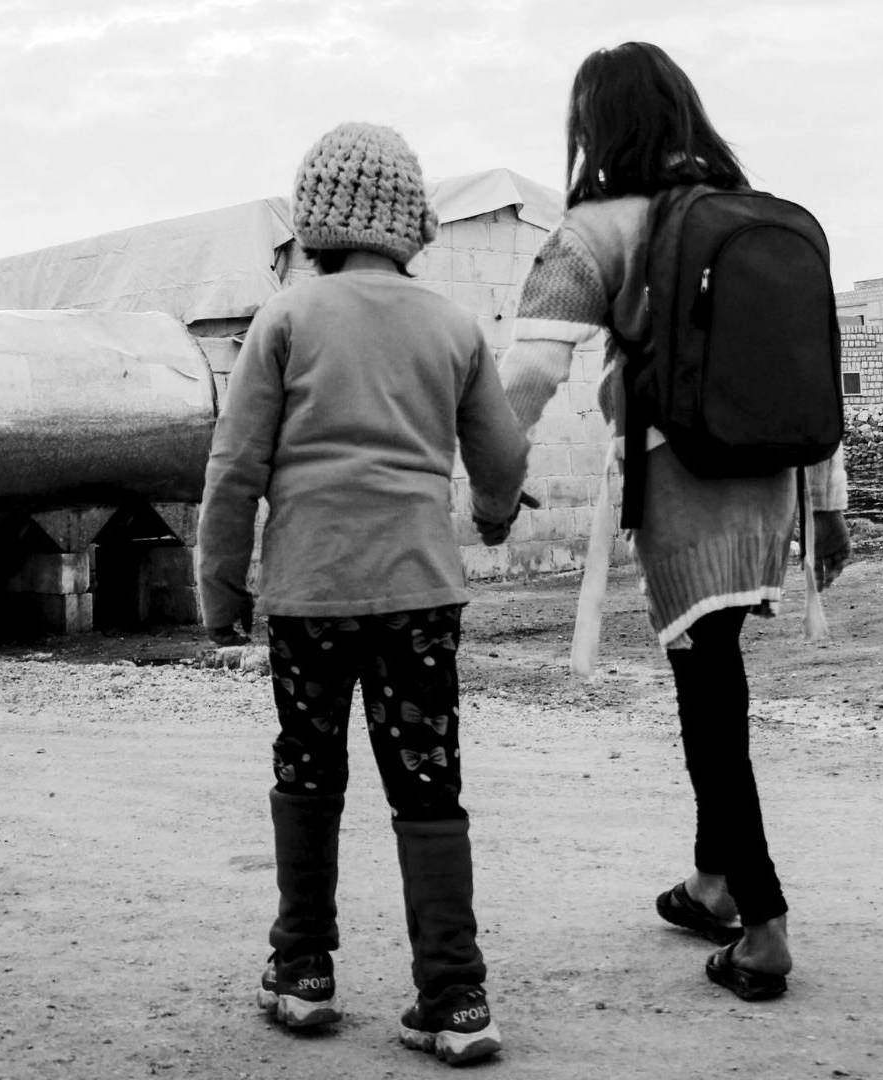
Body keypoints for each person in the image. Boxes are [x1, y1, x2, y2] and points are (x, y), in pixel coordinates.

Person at [499, 42, 851, 1002]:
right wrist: (827, 514)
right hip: (772, 488)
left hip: (688, 493)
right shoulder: (758, 215)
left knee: (711, 702)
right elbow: (811, 366)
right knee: (716, 677)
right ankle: (712, 881)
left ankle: (764, 925)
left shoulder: (598, 230)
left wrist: (489, 480)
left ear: (597, 128)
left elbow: (529, 375)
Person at [197, 122, 529, 1064]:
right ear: (409, 222)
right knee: (429, 784)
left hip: (309, 596)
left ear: (316, 220)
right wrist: (498, 518)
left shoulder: (287, 319)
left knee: (309, 771)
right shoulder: (453, 324)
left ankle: (302, 972)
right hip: (420, 597)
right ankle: (456, 998)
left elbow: (234, 473)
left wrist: (221, 595)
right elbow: (499, 458)